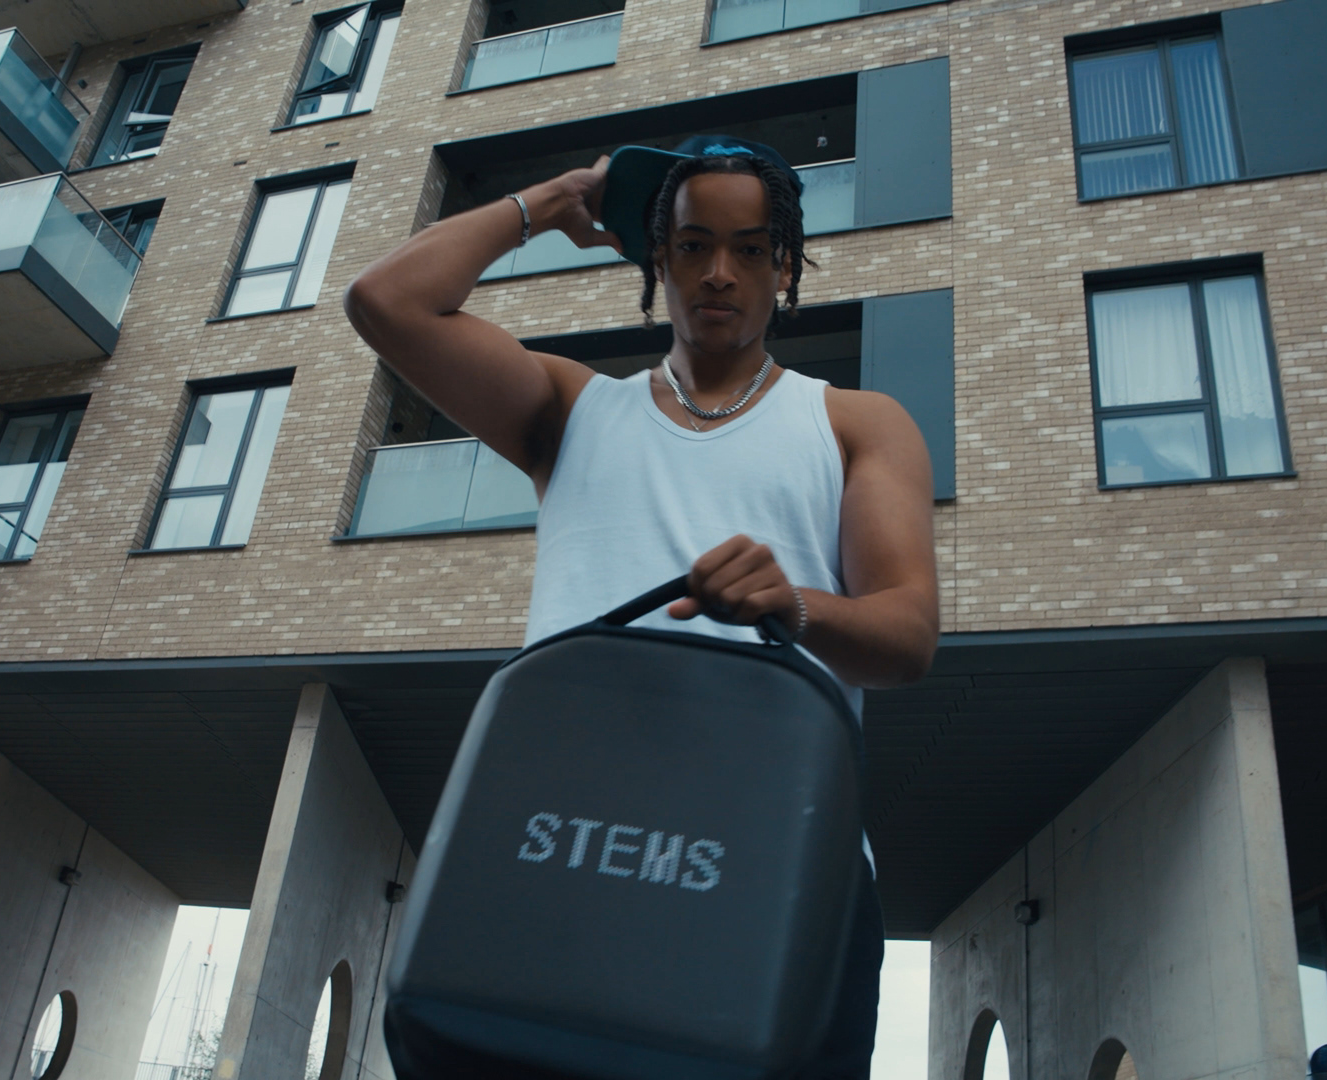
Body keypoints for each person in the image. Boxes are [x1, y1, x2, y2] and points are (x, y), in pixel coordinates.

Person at [345, 135, 941, 1079]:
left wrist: (795, 607)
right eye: (692, 245)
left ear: (785, 268)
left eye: (751, 249)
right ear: (657, 260)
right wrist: (549, 202)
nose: (719, 272)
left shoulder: (856, 424)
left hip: (773, 868)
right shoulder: (570, 409)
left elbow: (907, 638)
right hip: (561, 849)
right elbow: (384, 302)